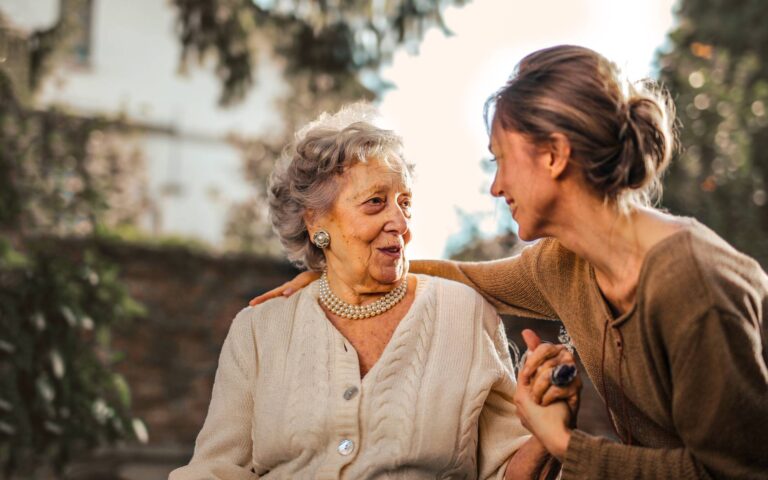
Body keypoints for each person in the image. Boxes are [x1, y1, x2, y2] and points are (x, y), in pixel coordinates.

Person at [250, 46, 768, 479]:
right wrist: (335, 268)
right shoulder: (564, 264)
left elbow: (736, 471)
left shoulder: (692, 284)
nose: (496, 186)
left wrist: (565, 444)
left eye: (500, 158)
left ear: (554, 155)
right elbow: (460, 275)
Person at [170, 104, 580, 480]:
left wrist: (548, 435)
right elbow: (216, 469)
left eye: (405, 202)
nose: (399, 222)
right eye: (375, 203)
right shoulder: (259, 330)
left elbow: (506, 472)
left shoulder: (464, 314)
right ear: (316, 223)